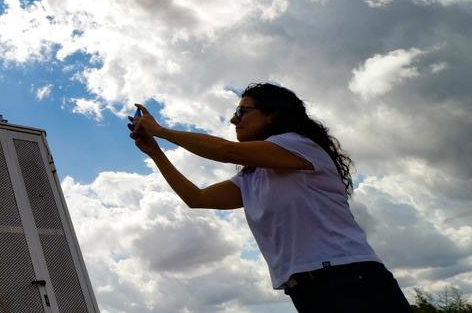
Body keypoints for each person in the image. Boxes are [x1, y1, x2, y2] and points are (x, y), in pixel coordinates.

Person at [128, 82, 411, 312]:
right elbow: (197, 198)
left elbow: (229, 152)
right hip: (308, 288)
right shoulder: (253, 176)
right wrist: (156, 153)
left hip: (350, 278)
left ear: (272, 114)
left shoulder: (301, 146)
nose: (233, 119)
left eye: (242, 111)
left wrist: (162, 131)